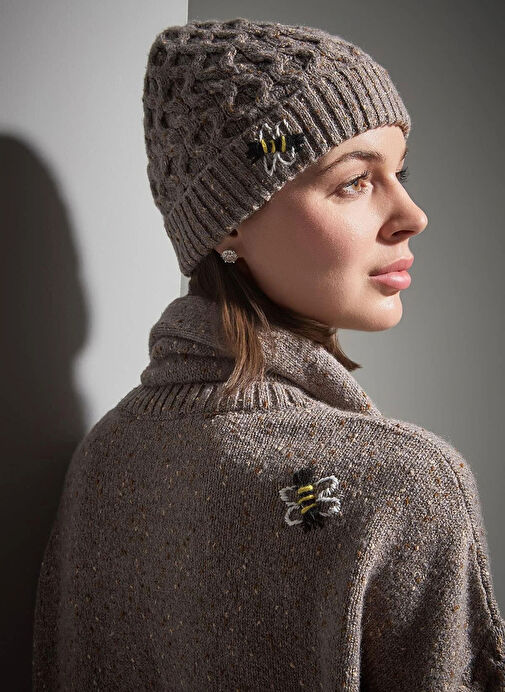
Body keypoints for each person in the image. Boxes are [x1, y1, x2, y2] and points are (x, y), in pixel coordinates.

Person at [32, 16, 505, 691]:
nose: (411, 214)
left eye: (399, 172)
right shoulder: (407, 487)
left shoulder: (104, 460)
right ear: (227, 224)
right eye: (353, 181)